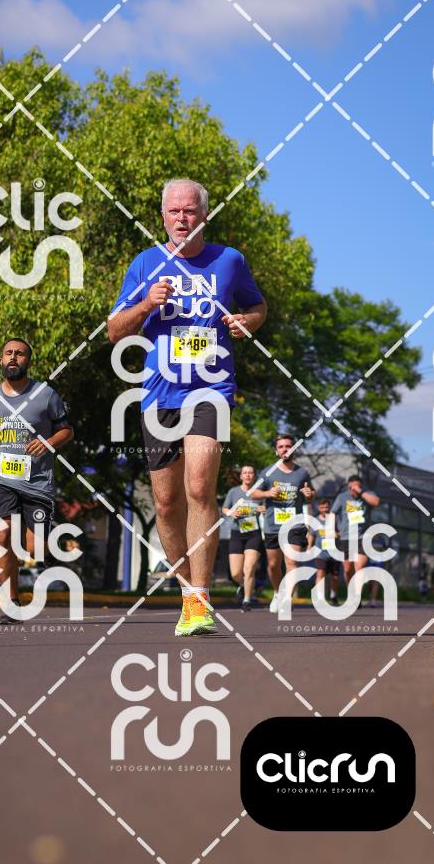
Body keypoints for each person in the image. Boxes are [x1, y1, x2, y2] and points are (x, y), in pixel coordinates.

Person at [107, 178, 266, 636]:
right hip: (159, 394)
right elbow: (114, 331)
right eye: (174, 211)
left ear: (204, 214)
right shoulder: (145, 263)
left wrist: (247, 322)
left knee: (199, 487)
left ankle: (201, 597)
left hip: (211, 389)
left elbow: (258, 306)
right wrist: (145, 304)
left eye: (190, 210)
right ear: (163, 217)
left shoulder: (229, 260)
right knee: (166, 502)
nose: (182, 218)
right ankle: (186, 595)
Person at [0, 339, 73, 624]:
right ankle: (11, 603)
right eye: (8, 353)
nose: (13, 357)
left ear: (28, 361)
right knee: (3, 534)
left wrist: (47, 442)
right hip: (1, 479)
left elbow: (67, 431)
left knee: (33, 549)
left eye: (19, 354)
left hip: (37, 482)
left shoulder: (46, 394)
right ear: (0, 360)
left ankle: (49, 550)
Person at [251, 434, 315, 613]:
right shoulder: (268, 472)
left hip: (295, 525)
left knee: (292, 561)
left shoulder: (302, 473)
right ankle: (278, 593)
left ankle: (287, 599)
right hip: (273, 525)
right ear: (276, 451)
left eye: (288, 446)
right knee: (273, 565)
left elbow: (311, 494)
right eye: (281, 446)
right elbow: (253, 493)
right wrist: (267, 494)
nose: (285, 449)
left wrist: (309, 494)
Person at [222, 465, 265, 611]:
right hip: (237, 533)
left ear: (254, 476)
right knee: (235, 573)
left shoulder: (259, 493)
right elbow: (225, 508)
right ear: (241, 476)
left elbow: (266, 508)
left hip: (254, 533)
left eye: (250, 472)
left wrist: (262, 509)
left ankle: (247, 600)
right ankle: (245, 586)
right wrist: (231, 513)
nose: (247, 475)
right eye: (245, 473)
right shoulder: (233, 492)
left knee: (249, 568)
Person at [330, 475, 379, 586]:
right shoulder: (342, 497)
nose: (354, 489)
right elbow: (332, 513)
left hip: (362, 537)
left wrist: (361, 492)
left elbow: (376, 502)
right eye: (352, 487)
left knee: (359, 567)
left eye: (357, 487)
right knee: (348, 570)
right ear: (348, 486)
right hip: (346, 537)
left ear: (361, 486)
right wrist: (331, 530)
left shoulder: (367, 494)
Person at [307, 497, 340, 605]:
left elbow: (342, 532)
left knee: (335, 577)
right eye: (322, 507)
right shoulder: (315, 520)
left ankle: (333, 596)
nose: (324, 509)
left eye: (326, 507)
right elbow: (311, 535)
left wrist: (337, 534)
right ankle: (320, 598)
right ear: (318, 508)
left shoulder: (335, 519)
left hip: (334, 552)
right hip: (320, 553)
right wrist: (309, 547)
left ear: (329, 507)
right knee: (320, 573)